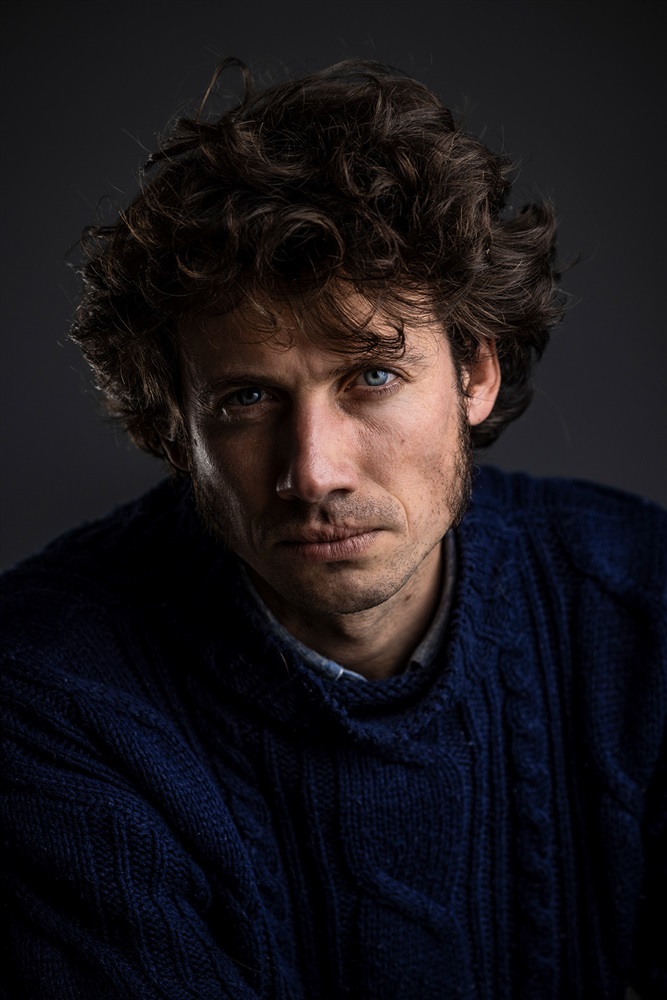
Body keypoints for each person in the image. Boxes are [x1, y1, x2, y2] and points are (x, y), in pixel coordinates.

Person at [1, 57, 665, 1000]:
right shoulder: (45, 694)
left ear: (475, 374)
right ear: (174, 429)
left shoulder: (640, 605)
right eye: (246, 398)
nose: (312, 472)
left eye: (373, 377)